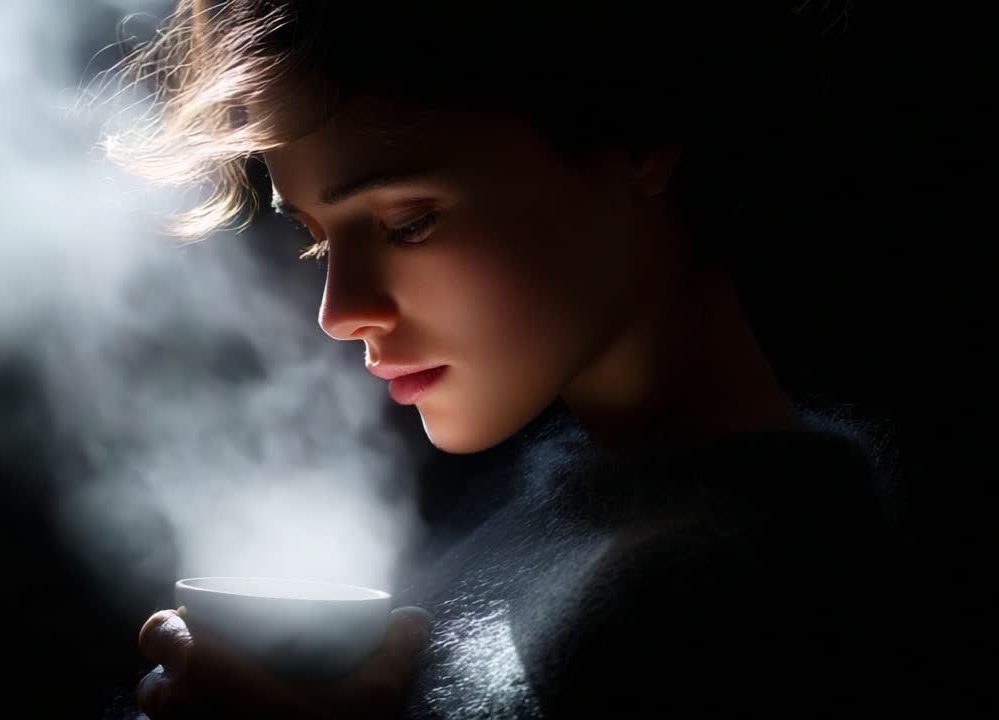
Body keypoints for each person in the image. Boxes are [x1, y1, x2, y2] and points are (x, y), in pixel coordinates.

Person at [106, 1, 910, 716]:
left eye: (408, 223)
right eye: (317, 238)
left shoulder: (740, 610)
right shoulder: (571, 531)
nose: (340, 314)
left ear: (637, 134)